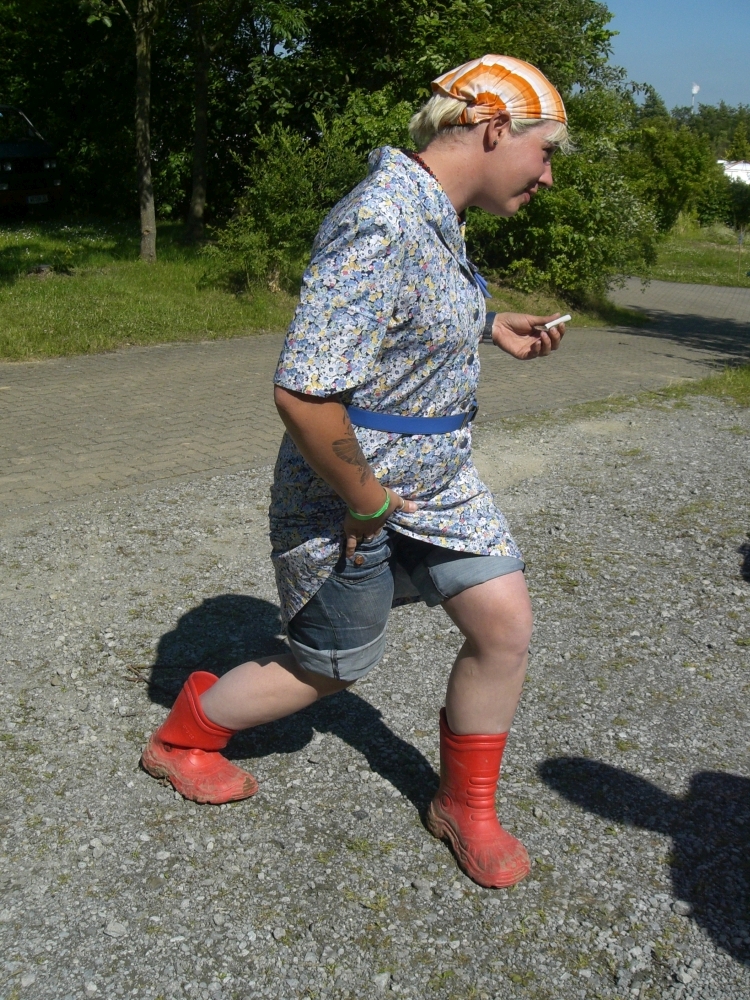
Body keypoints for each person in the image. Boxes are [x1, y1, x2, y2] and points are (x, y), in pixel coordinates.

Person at [141, 54, 569, 889]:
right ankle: (183, 737)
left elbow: (403, 312)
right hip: (351, 495)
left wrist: (488, 324)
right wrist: (367, 503)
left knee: (504, 627)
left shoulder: (435, 214)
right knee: (331, 669)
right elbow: (304, 394)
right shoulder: (380, 219)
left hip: (439, 484)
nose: (547, 176)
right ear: (492, 129)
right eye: (545, 152)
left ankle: (466, 806)